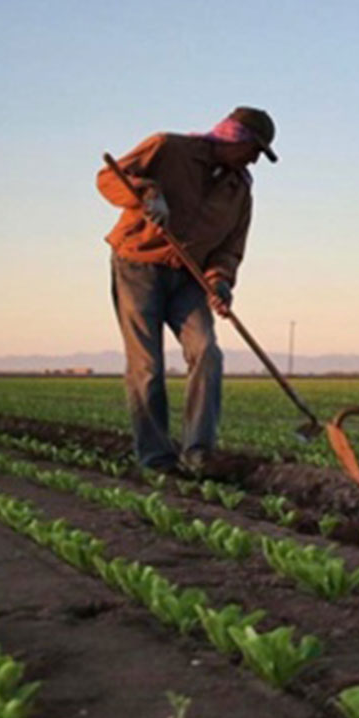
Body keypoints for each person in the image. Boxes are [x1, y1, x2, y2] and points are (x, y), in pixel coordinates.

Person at [96, 106, 277, 476]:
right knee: (147, 365)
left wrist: (220, 280)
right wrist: (147, 194)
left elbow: (230, 247)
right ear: (233, 138)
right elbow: (108, 179)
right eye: (255, 149)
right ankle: (157, 459)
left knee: (207, 351)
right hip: (138, 264)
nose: (255, 160)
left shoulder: (239, 192)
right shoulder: (168, 148)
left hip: (189, 277)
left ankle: (198, 452)